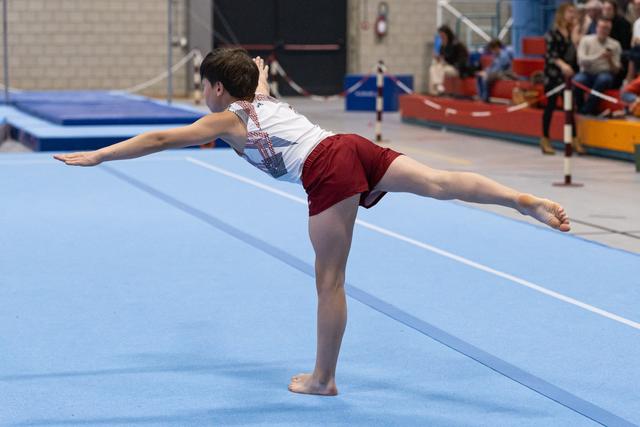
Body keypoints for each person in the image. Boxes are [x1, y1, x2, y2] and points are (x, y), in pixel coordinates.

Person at [54, 48, 571, 396]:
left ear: (214, 88)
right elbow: (254, 79)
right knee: (437, 182)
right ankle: (518, 199)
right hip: (349, 145)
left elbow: (160, 140)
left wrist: (101, 155)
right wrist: (256, 71)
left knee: (330, 282)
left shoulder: (227, 119)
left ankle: (324, 378)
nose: (205, 94)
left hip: (325, 169)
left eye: (205, 85)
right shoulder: (259, 98)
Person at [541, 3, 585, 155]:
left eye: (574, 12)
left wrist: (575, 38)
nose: (572, 15)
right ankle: (545, 138)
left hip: (567, 77)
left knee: (570, 107)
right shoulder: (552, 33)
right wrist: (563, 65)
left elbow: (575, 54)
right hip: (553, 75)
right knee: (551, 106)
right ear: (562, 14)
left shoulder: (572, 33)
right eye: (570, 12)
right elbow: (550, 55)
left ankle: (574, 139)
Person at [574, 17, 622, 115]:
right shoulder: (586, 40)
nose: (604, 30)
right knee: (577, 80)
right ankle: (580, 108)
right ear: (596, 28)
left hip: (604, 73)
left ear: (610, 30)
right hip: (587, 72)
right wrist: (599, 56)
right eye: (602, 27)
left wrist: (610, 60)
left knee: (603, 79)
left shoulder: (615, 44)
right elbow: (581, 61)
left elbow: (616, 70)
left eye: (607, 28)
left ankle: (586, 110)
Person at [429, 25, 470, 95]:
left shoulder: (456, 44)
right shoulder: (442, 46)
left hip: (456, 68)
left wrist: (445, 60)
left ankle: (437, 86)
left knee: (439, 68)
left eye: (443, 36)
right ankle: (438, 86)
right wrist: (438, 58)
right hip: (447, 66)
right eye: (440, 36)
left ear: (447, 34)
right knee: (433, 68)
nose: (441, 38)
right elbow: (444, 59)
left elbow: (461, 59)